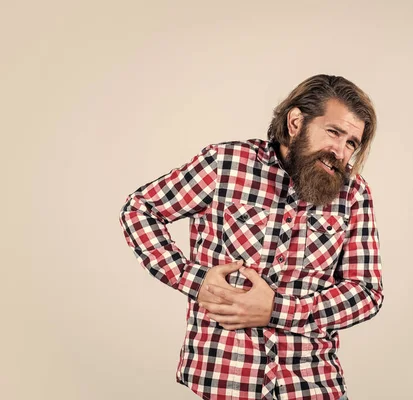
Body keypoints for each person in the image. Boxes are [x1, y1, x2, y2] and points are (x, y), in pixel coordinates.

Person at [118, 74, 384, 400]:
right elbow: (140, 209)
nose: (340, 152)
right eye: (334, 132)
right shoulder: (225, 165)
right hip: (225, 382)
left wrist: (277, 310)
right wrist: (193, 280)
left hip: (313, 383)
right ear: (296, 122)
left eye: (351, 143)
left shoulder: (353, 194)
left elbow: (366, 292)